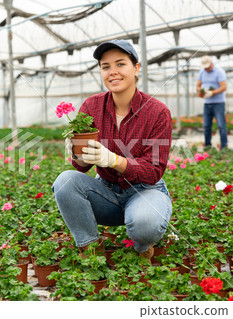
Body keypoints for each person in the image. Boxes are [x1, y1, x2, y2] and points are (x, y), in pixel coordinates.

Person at [51, 39, 173, 262]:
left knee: (145, 223)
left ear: (136, 68)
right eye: (105, 67)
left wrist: (115, 160)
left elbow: (154, 170)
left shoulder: (158, 112)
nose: (112, 72)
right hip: (105, 192)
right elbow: (82, 167)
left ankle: (142, 245)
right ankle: (90, 249)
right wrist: (77, 152)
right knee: (65, 181)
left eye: (120, 64)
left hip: (145, 191)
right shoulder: (92, 106)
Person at [196, 55, 228, 149]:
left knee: (221, 125)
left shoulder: (219, 72)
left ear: (211, 64)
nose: (206, 69)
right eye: (205, 67)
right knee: (206, 126)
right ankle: (207, 146)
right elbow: (197, 86)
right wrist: (201, 91)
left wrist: (212, 92)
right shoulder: (202, 72)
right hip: (207, 103)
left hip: (219, 103)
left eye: (208, 67)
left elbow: (223, 87)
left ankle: (224, 147)